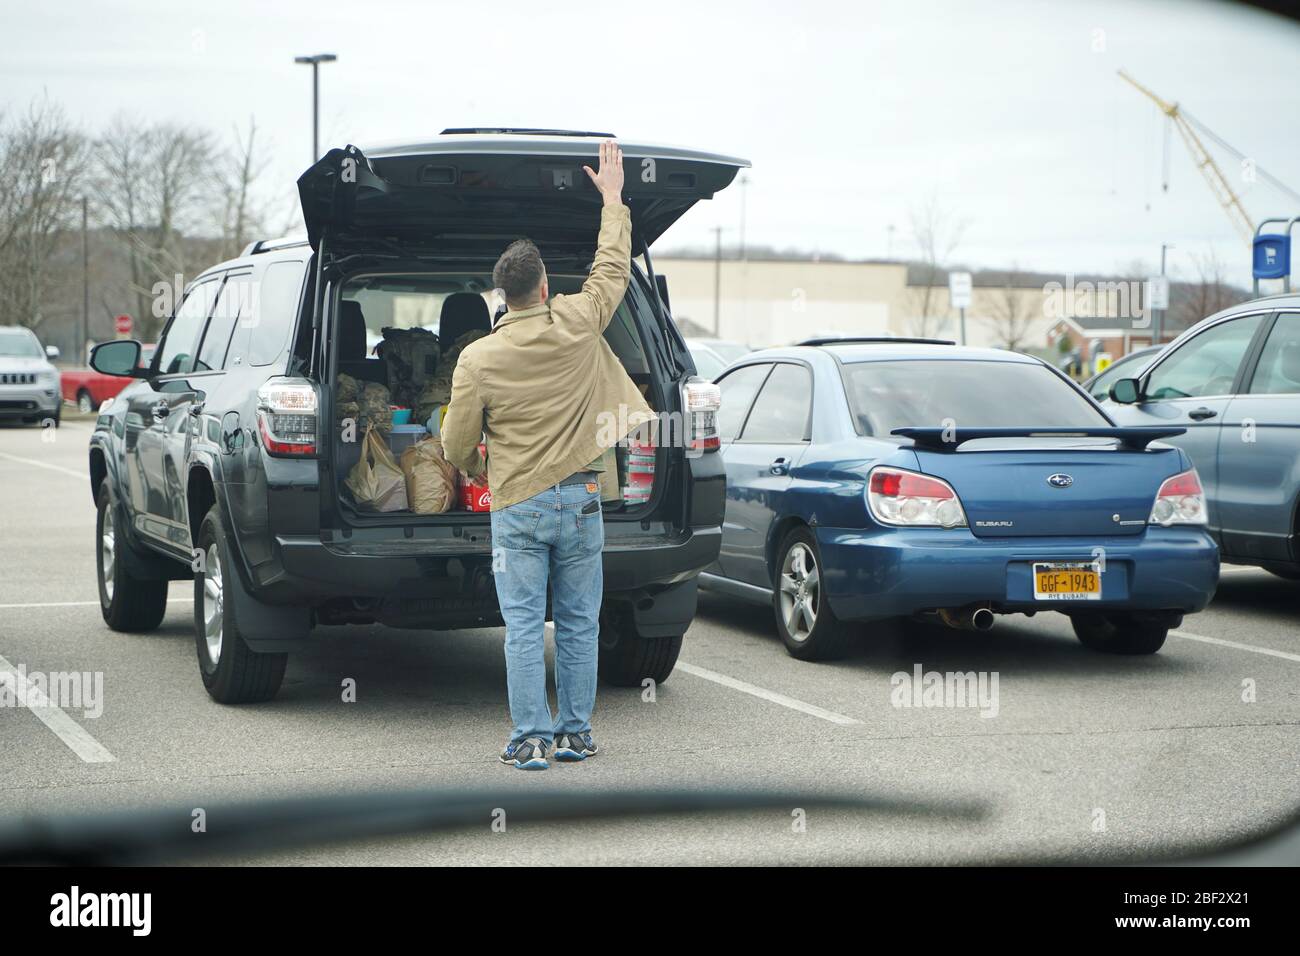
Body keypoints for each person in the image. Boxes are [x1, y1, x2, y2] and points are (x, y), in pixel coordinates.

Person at [441, 140, 653, 770]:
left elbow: (455, 443)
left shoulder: (476, 359)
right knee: (581, 622)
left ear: (498, 297)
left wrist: (483, 467)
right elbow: (612, 269)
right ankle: (576, 734)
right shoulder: (579, 321)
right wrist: (612, 200)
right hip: (583, 499)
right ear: (545, 286)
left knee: (525, 626)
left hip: (517, 506)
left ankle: (530, 738)